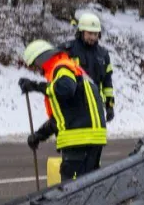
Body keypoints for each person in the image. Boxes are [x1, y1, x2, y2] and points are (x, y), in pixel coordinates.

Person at [20, 39, 108, 181]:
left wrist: (36, 86)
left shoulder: (61, 68)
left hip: (79, 139)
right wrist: (39, 135)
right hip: (91, 137)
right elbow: (62, 118)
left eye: (34, 66)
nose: (37, 70)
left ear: (40, 59)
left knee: (71, 187)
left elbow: (66, 89)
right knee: (89, 184)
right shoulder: (71, 68)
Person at [64, 11, 115, 123]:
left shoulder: (103, 54)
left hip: (95, 105)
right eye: (90, 33)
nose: (93, 37)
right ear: (81, 32)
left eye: (95, 34)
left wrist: (109, 105)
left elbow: (107, 82)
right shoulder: (67, 50)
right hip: (72, 106)